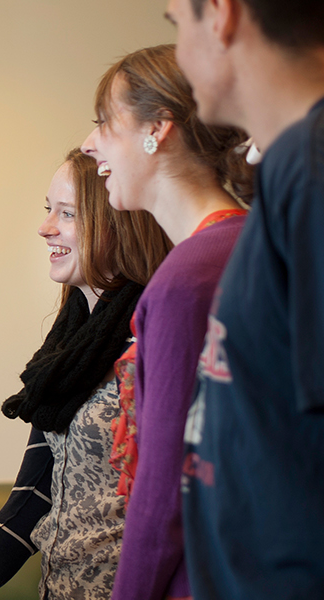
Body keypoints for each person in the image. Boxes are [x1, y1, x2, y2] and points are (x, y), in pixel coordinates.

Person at [0, 149, 171, 600]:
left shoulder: (153, 336)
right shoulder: (69, 350)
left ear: (117, 224)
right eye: (48, 209)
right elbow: (35, 495)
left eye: (67, 213)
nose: (45, 226)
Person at [78, 44, 252, 600]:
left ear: (159, 127)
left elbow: (163, 487)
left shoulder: (187, 278)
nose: (89, 144)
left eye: (105, 122)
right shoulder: (252, 240)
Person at [164, 0, 324, 597]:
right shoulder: (292, 167)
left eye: (176, 22)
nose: (180, 52)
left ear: (222, 16)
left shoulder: (313, 169)